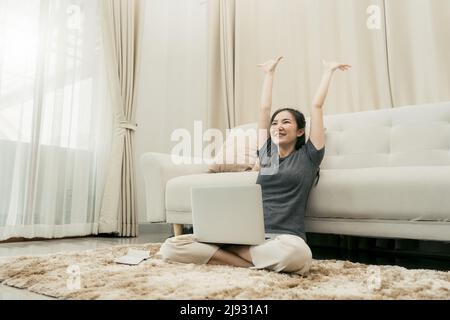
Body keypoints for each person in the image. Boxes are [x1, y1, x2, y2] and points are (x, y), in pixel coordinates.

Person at [159, 56, 351, 274]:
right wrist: (269, 74)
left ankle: (231, 254)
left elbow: (317, 106)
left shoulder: (309, 157)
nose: (278, 126)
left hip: (284, 238)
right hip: (248, 235)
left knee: (299, 256)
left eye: (286, 122)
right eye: (275, 123)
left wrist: (328, 72)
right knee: (171, 246)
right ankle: (253, 262)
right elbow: (264, 109)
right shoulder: (268, 158)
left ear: (299, 131)